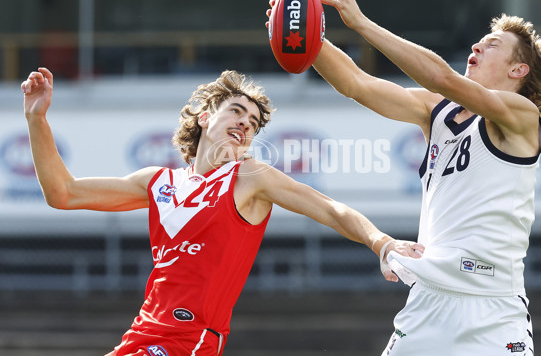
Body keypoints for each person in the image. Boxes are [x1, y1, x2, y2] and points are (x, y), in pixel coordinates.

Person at [21, 67, 424, 356]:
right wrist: (36, 119)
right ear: (205, 117)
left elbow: (330, 209)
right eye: (236, 111)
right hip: (140, 335)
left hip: (188, 341)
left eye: (253, 122)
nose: (245, 124)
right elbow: (63, 193)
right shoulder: (158, 181)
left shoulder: (250, 177)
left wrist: (382, 243)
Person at [268, 0, 541, 356]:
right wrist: (303, 33)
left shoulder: (522, 116)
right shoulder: (436, 110)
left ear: (518, 70)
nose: (477, 45)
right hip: (429, 299)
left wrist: (361, 24)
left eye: (491, 45)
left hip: (492, 308)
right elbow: (357, 84)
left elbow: (441, 77)